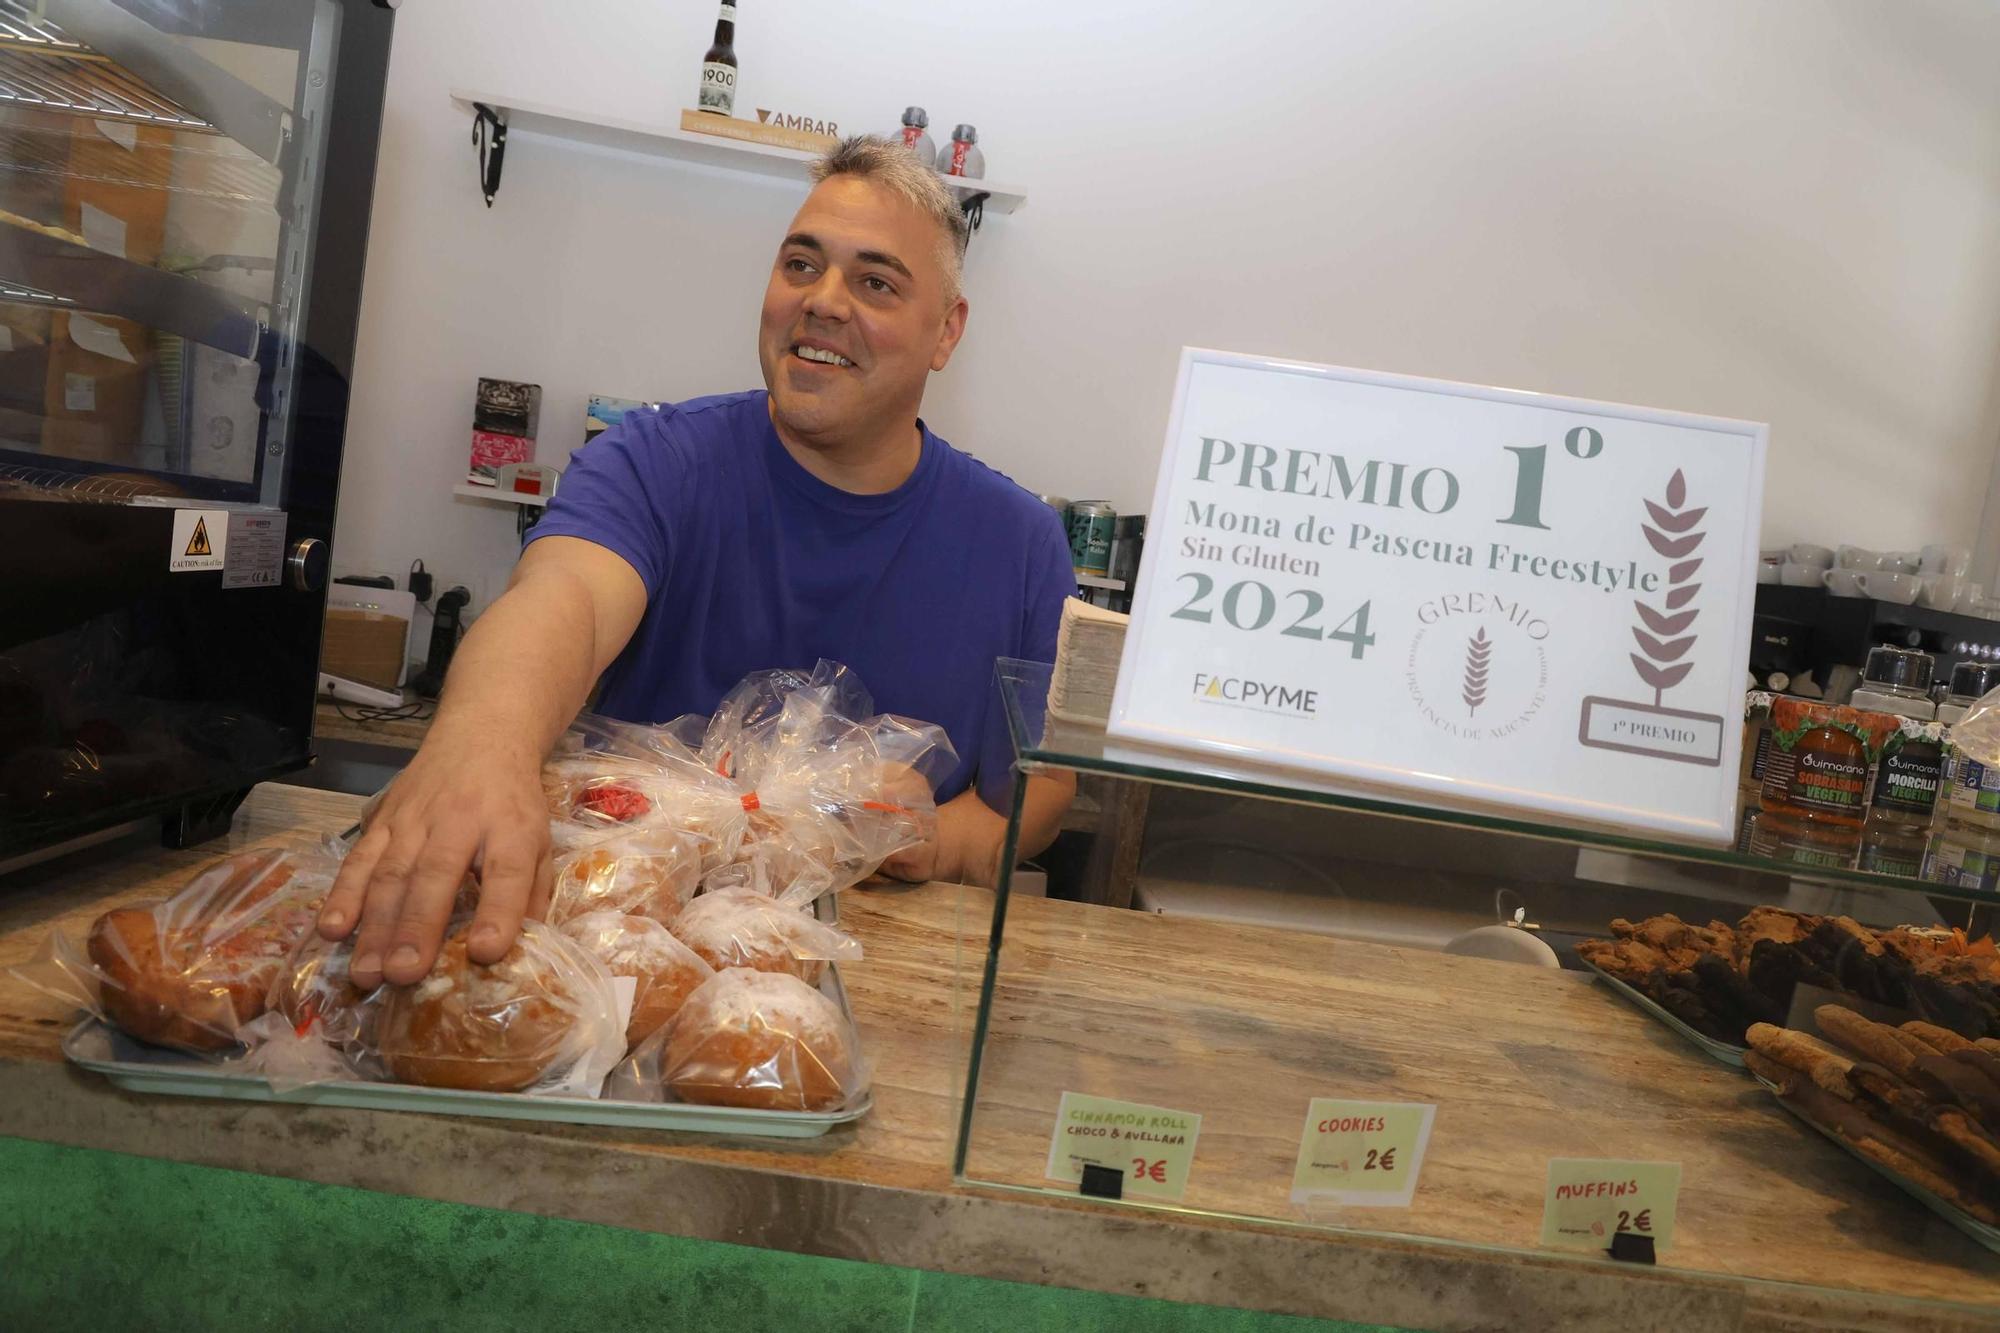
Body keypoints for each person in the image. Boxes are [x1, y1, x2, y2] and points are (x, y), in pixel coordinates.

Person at [321, 137, 1078, 990]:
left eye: (875, 282)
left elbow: (1040, 790)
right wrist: (483, 742)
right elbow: (565, 595)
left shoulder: (1020, 544)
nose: (823, 302)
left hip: (884, 988)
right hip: (613, 962)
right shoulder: (654, 461)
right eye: (801, 264)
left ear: (947, 331)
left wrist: (938, 841)